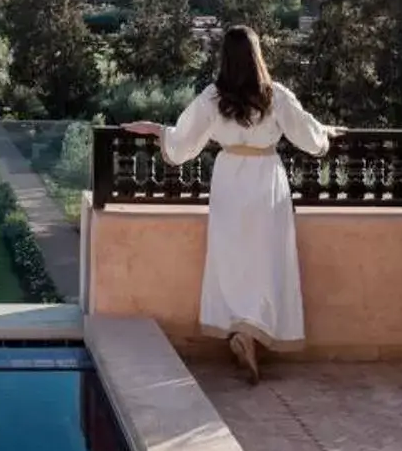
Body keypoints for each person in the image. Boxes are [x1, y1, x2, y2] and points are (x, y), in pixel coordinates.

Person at [121, 26, 336, 382]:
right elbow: (310, 139)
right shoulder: (275, 96)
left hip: (229, 181)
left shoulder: (212, 97)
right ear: (257, 55)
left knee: (230, 257)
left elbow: (182, 142)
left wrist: (159, 131)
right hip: (267, 181)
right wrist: (326, 134)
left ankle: (239, 329)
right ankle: (252, 332)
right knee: (266, 259)